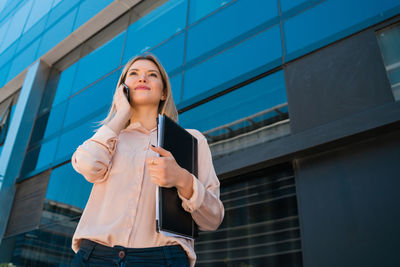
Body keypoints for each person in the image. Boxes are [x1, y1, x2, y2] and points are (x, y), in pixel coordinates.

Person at [70, 53, 224, 266]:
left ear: (163, 93)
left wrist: (182, 179)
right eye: (134, 74)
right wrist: (121, 114)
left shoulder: (191, 140)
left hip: (163, 259)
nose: (142, 78)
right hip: (95, 257)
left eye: (152, 75)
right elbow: (87, 165)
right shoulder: (110, 138)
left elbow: (213, 219)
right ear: (122, 90)